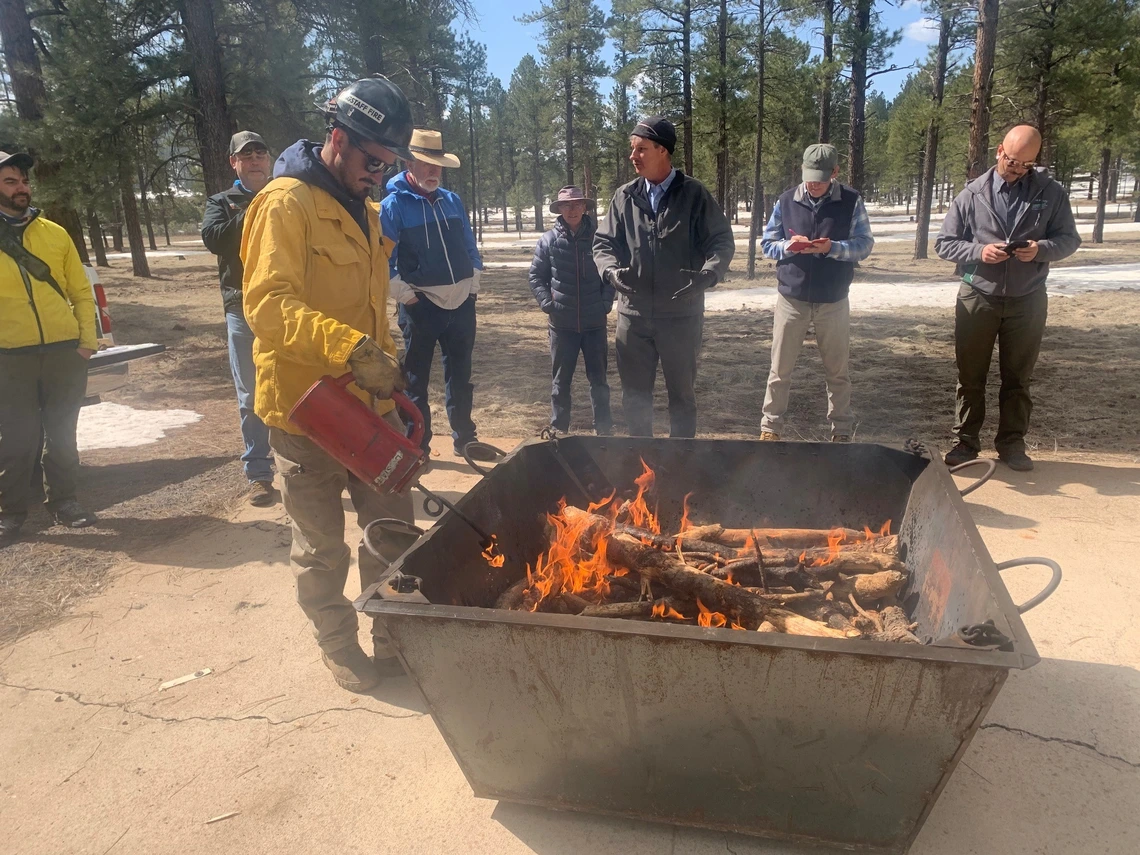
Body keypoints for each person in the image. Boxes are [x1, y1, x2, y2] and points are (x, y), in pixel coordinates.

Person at [241, 77, 417, 693]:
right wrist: (348, 349)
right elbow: (266, 306)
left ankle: (391, 634)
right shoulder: (284, 204)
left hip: (367, 410)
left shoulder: (365, 213)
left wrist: (391, 380)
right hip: (305, 411)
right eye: (374, 162)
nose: (380, 175)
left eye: (389, 166)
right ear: (338, 139)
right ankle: (338, 643)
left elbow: (371, 312)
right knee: (321, 547)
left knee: (392, 528)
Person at [935, 125, 1080, 471]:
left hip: (1027, 298)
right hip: (977, 295)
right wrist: (979, 251)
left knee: (1018, 376)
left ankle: (1012, 443)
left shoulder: (1052, 193)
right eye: (1013, 161)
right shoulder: (972, 194)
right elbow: (944, 243)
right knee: (970, 375)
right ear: (1000, 151)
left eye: (1027, 165)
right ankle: (966, 442)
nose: (1018, 169)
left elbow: (1069, 239)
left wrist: (1040, 250)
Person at [593, 116, 735, 437]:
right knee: (635, 399)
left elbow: (722, 241)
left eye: (641, 149)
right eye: (633, 149)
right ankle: (640, 467)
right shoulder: (624, 197)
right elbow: (603, 243)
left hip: (681, 317)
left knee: (682, 398)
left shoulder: (694, 194)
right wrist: (611, 272)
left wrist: (708, 274)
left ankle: (681, 465)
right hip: (634, 317)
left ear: (663, 151)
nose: (633, 156)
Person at [0, 151, 99, 548]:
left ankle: (65, 502)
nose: (21, 188)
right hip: (10, 357)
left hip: (64, 353)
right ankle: (10, 512)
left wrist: (87, 343)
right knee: (17, 440)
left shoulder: (55, 233)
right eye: (10, 182)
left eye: (23, 181)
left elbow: (80, 290)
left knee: (62, 434)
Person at [380, 129, 492, 460]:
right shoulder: (392, 206)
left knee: (461, 377)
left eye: (438, 165)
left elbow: (469, 246)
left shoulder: (452, 200)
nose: (433, 171)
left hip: (461, 307)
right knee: (415, 382)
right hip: (421, 308)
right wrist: (408, 296)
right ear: (408, 162)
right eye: (426, 164)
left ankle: (465, 439)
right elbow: (382, 262)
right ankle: (419, 446)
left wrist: (473, 284)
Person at [758, 143, 875, 442]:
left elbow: (864, 245)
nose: (814, 183)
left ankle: (842, 431)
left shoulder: (851, 201)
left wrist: (833, 248)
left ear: (835, 172)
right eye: (810, 177)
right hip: (791, 299)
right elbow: (768, 243)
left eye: (821, 178)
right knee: (779, 370)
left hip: (833, 300)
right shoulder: (786, 201)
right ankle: (770, 427)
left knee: (838, 372)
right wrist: (788, 246)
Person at [201, 131, 276, 506]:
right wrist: (254, 211)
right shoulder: (221, 202)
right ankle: (260, 473)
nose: (255, 160)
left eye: (260, 154)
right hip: (243, 308)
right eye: (246, 156)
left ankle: (306, 467)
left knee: (300, 385)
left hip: (286, 306)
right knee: (251, 395)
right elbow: (214, 239)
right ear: (234, 163)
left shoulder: (288, 197)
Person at [529, 186, 614, 436]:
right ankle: (559, 430)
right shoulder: (548, 241)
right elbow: (536, 276)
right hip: (562, 325)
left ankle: (604, 429)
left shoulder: (600, 239)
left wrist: (605, 303)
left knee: (599, 382)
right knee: (560, 383)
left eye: (577, 204)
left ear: (585, 207)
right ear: (560, 209)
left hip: (594, 324)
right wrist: (548, 303)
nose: (573, 209)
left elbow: (610, 274)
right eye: (567, 205)